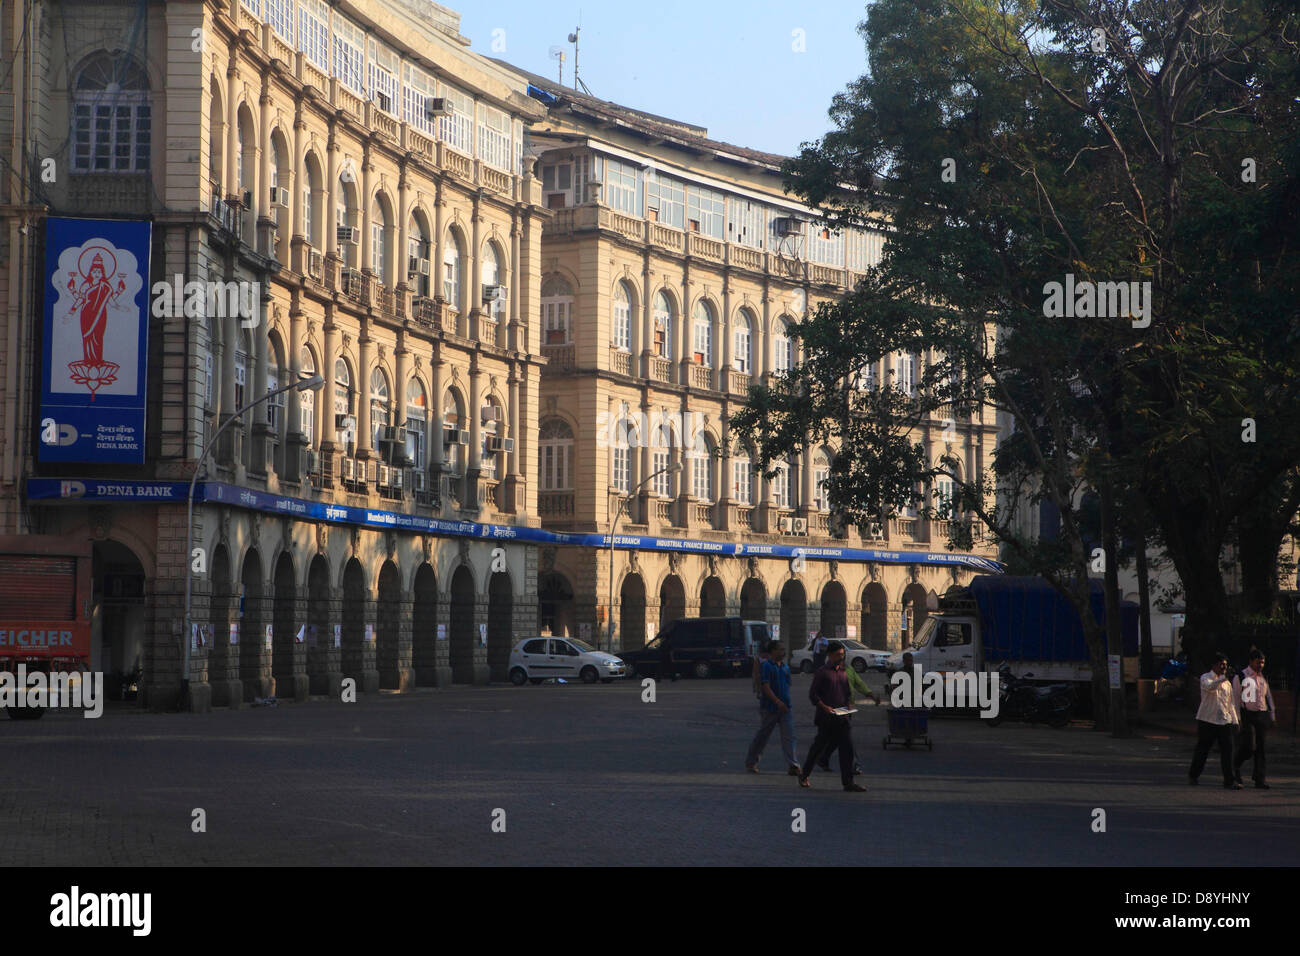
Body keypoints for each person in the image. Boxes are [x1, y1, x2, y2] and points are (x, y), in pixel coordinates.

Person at [799, 642, 866, 792]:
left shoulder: (843, 672)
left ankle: (848, 782)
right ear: (829, 655)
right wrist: (824, 707)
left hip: (842, 717)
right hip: (826, 718)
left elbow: (847, 692)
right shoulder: (822, 672)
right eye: (838, 655)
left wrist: (848, 705)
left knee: (847, 749)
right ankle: (804, 775)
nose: (840, 658)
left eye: (842, 655)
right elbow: (813, 695)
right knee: (817, 748)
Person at [745, 640, 800, 775]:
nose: (783, 652)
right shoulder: (767, 666)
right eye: (780, 649)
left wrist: (784, 702)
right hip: (770, 708)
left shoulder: (785, 667)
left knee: (789, 736)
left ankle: (793, 764)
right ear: (773, 651)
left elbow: (787, 685)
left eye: (783, 649)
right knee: (763, 736)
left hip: (786, 708)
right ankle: (752, 762)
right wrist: (777, 701)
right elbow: (765, 686)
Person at [1189, 651, 1242, 789]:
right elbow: (1210, 687)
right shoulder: (1205, 678)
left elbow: (1231, 703)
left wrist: (1235, 721)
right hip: (1207, 720)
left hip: (1224, 721)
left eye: (1225, 665)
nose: (1224, 668)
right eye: (1221, 665)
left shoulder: (1227, 683)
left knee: (1228, 751)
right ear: (1214, 665)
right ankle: (1193, 775)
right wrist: (1223, 678)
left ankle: (1229, 780)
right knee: (1203, 750)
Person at [1233, 648, 1274, 789]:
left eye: (1262, 663)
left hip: (1261, 714)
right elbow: (1236, 699)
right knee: (1249, 746)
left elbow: (1268, 696)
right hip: (1247, 714)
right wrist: (1237, 718)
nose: (1260, 665)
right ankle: (1235, 765)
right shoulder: (1241, 677)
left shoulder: (1263, 677)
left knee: (1261, 748)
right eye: (1258, 662)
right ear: (1251, 661)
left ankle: (1259, 778)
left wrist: (1271, 714)